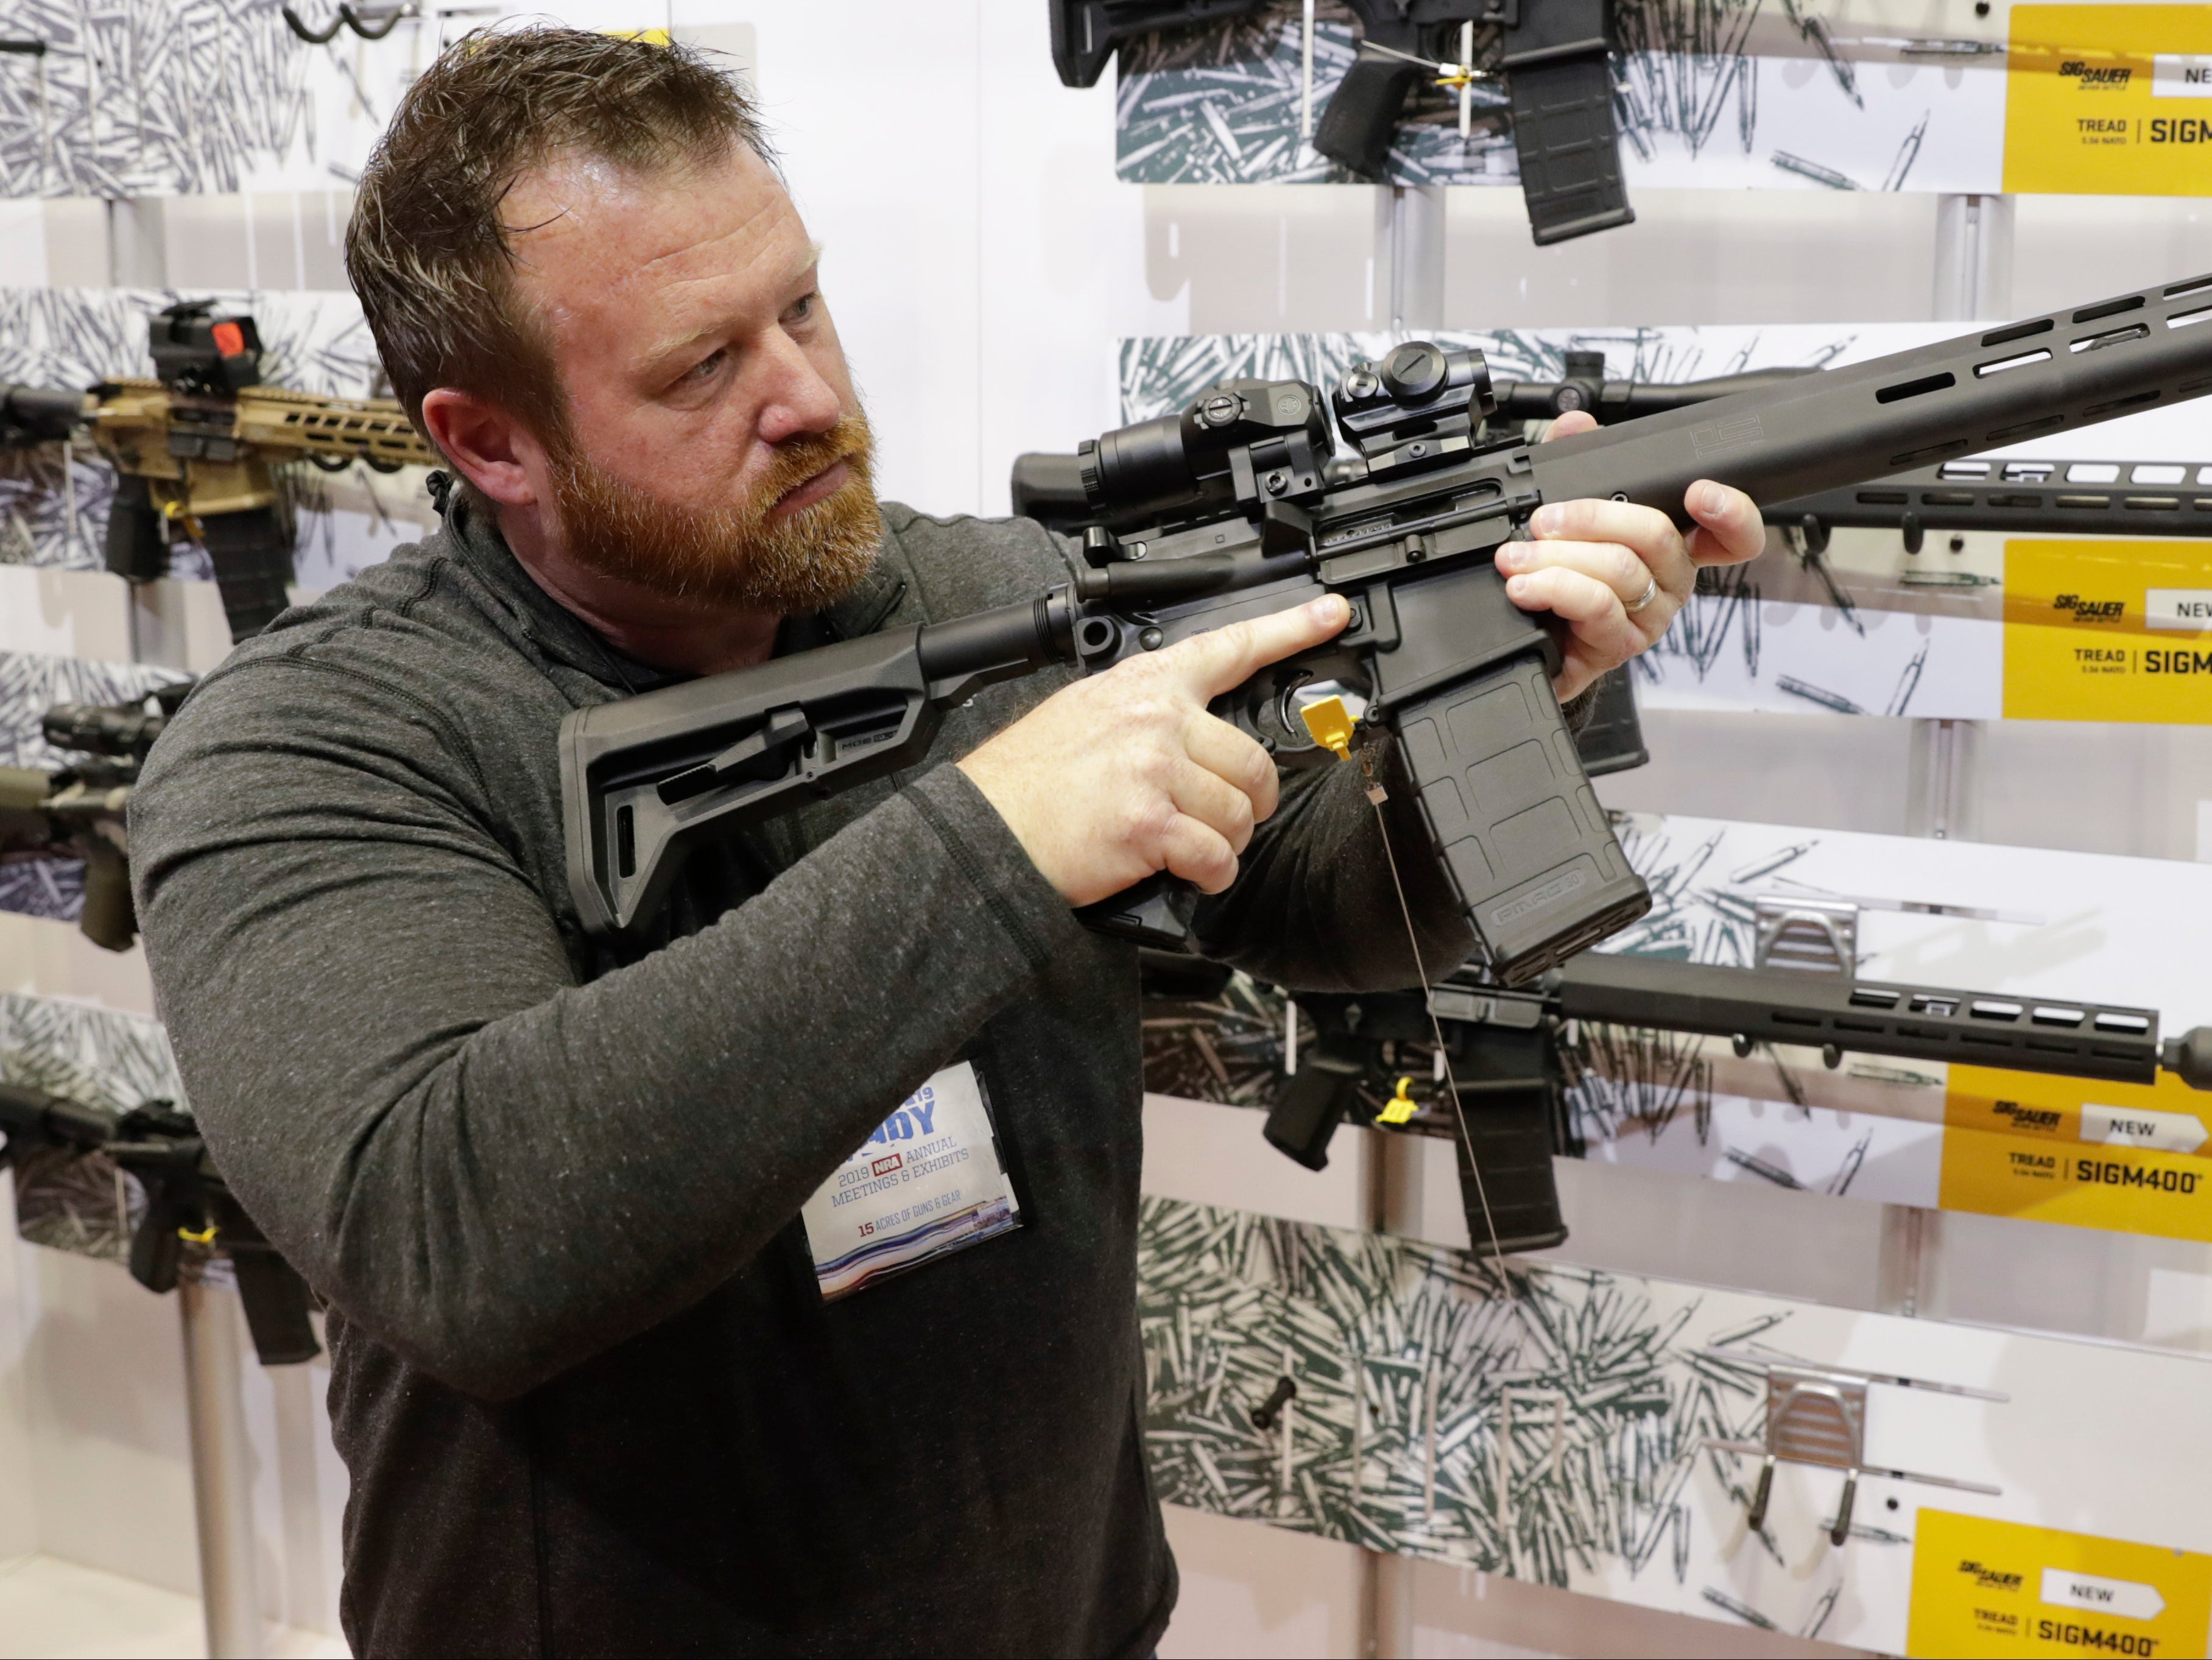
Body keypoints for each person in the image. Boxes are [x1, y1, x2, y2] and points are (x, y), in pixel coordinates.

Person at [130, 29, 1763, 1659]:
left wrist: (1495, 682)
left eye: (802, 306)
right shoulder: (313, 746)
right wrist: (999, 836)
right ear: (490, 441)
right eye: (702, 368)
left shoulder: (993, 592)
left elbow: (1308, 901)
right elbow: (459, 1234)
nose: (808, 398)